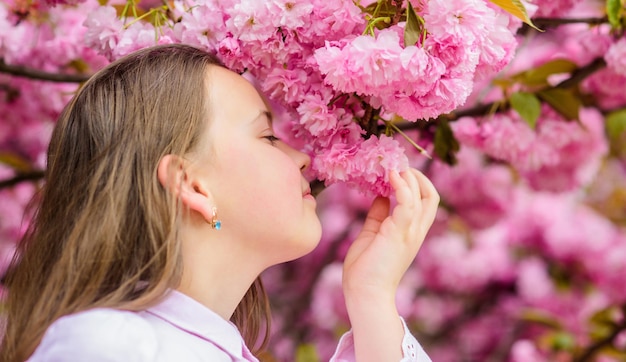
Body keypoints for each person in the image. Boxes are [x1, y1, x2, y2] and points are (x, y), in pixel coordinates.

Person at [0, 44, 439, 362]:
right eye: (268, 137)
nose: (302, 156)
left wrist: (371, 296)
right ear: (192, 185)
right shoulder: (108, 345)